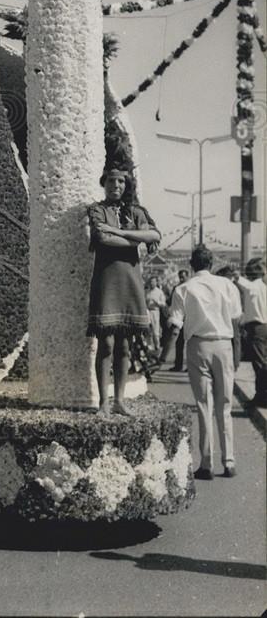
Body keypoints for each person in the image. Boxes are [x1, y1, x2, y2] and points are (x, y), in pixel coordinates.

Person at [159, 245, 242, 480]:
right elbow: (236, 320)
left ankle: (206, 463)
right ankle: (229, 461)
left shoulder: (183, 288)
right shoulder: (227, 285)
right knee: (224, 405)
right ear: (211, 263)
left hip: (198, 345)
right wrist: (236, 352)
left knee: (204, 405)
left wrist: (162, 356)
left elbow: (175, 325)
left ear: (191, 265)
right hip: (224, 344)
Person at [86, 167, 161, 415]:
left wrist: (120, 231)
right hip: (107, 282)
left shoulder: (136, 211)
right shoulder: (97, 210)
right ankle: (103, 402)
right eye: (111, 180)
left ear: (126, 185)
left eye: (120, 181)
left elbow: (154, 234)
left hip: (130, 282)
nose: (116, 185)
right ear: (104, 182)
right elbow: (103, 238)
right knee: (106, 343)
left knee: (125, 345)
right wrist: (136, 239)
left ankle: (119, 400)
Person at [235, 258, 267, 410]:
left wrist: (236, 277)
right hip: (264, 326)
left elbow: (245, 285)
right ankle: (261, 395)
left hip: (257, 327)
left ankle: (261, 397)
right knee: (262, 362)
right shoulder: (263, 286)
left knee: (259, 364)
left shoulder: (253, 287)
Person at [144, 275, 166, 352]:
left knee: (155, 331)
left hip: (155, 312)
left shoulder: (159, 292)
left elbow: (163, 304)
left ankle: (157, 347)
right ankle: (149, 347)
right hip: (147, 312)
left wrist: (157, 302)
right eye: (150, 282)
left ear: (156, 282)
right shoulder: (147, 292)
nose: (152, 283)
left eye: (153, 282)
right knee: (147, 330)